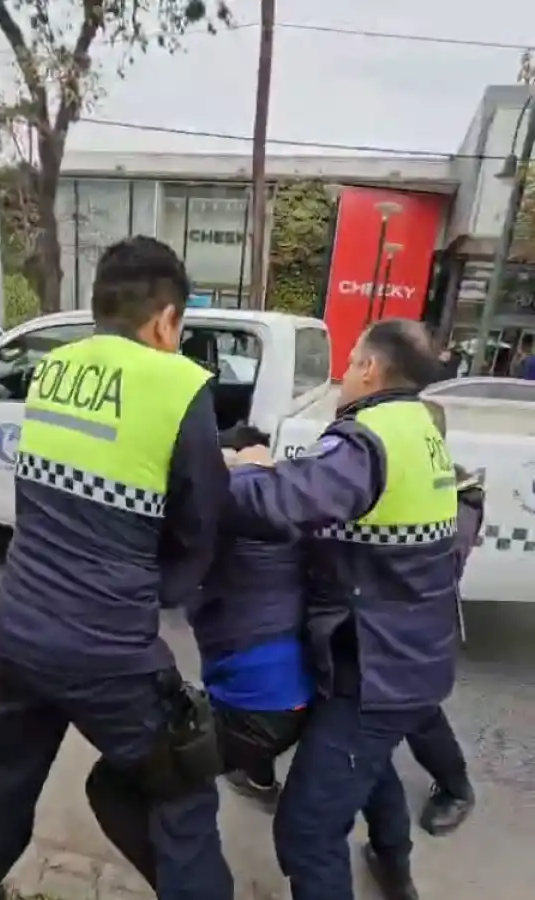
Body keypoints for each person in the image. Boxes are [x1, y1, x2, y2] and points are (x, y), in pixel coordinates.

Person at [0, 236, 233, 900]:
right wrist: (158, 591)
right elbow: (201, 521)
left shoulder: (53, 370)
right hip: (108, 650)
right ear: (165, 320)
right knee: (184, 796)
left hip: (15, 631)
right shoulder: (178, 383)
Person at [226, 318, 459, 900]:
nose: (345, 373)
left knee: (306, 831)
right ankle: (392, 866)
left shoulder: (367, 436)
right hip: (409, 651)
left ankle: (388, 867)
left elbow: (282, 502)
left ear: (370, 370)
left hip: (375, 667)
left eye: (352, 359)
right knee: (371, 767)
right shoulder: (420, 429)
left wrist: (242, 471)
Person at [86, 423, 313, 889]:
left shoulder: (232, 504)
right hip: (281, 698)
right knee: (164, 772)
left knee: (121, 784)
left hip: (258, 710)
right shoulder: (279, 503)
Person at [402, 401, 484, 837]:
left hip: (419, 626)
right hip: (383, 620)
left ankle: (456, 787)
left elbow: (440, 557)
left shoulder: (454, 493)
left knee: (416, 710)